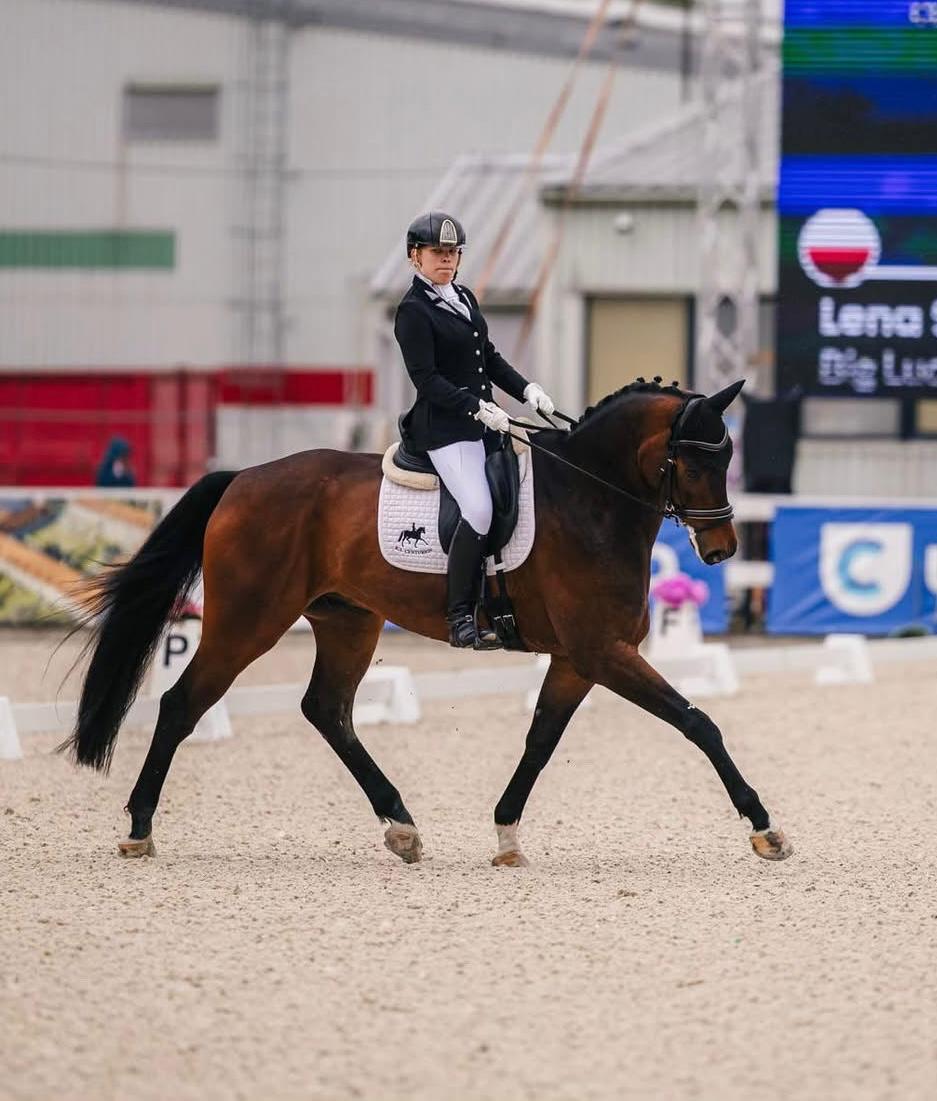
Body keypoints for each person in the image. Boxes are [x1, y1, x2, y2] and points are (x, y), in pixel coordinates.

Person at [394, 211, 556, 649]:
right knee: (479, 510)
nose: (445, 259)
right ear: (416, 258)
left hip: (484, 425)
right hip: (446, 431)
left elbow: (489, 357)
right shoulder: (412, 311)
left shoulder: (463, 296)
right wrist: (477, 409)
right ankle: (460, 617)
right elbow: (426, 379)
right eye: (436, 253)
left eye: (452, 252)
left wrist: (527, 391)